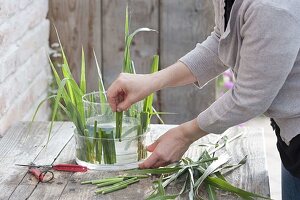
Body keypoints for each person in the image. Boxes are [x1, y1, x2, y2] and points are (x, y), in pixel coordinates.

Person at [107, 0, 300, 199]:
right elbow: (222, 42)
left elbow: (250, 97)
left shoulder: (272, 8)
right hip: (289, 135)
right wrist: (151, 81)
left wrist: (184, 134)